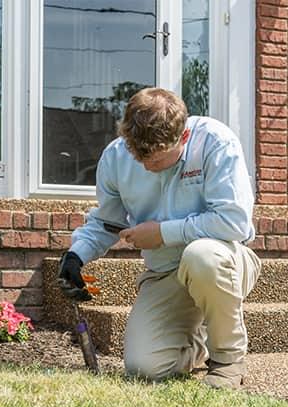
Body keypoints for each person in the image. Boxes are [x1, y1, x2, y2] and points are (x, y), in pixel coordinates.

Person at [58, 87, 261, 389]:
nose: (146, 166)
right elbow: (106, 221)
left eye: (155, 160)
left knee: (201, 256)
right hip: (165, 272)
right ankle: (195, 346)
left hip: (223, 260)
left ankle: (227, 360)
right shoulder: (115, 157)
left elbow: (234, 222)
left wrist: (162, 233)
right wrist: (76, 255)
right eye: (138, 157)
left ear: (184, 137)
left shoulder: (215, 142)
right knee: (144, 368)